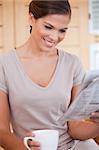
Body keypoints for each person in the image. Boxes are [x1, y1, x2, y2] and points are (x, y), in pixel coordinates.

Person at [0, 0, 99, 150]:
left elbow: (75, 128)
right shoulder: (4, 65)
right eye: (48, 27)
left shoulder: (72, 64)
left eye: (62, 30)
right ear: (31, 18)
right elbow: (2, 131)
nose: (54, 37)